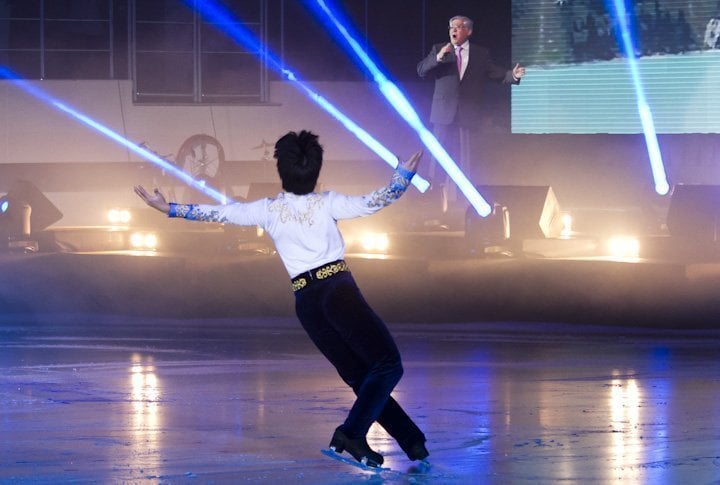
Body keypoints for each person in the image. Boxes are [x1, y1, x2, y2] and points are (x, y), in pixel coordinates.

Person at [134, 131, 428, 468]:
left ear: (282, 171)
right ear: (316, 171)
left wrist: (168, 208)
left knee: (362, 377)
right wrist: (403, 175)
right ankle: (352, 432)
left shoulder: (267, 210)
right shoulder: (328, 202)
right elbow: (377, 200)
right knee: (388, 364)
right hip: (337, 291)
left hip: (306, 303)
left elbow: (220, 213)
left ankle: (412, 441)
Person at [417, 15, 525, 204]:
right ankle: (434, 195)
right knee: (438, 156)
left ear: (469, 31)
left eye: (458, 27)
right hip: (443, 112)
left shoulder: (480, 53)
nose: (454, 30)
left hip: (467, 112)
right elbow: (421, 70)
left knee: (465, 158)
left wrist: (512, 75)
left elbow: (495, 74)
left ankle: (464, 199)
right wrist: (439, 57)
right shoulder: (439, 49)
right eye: (451, 27)